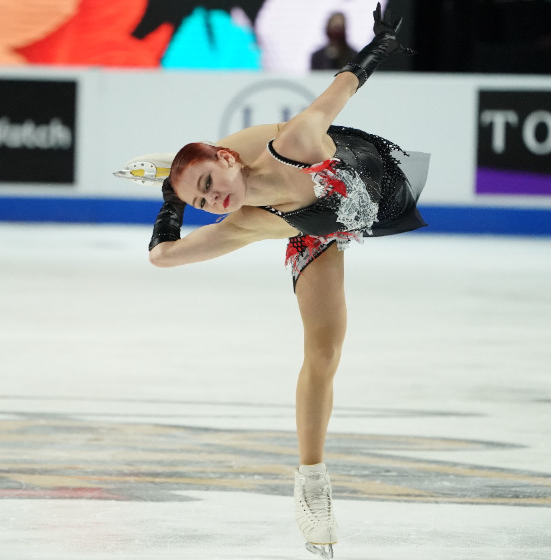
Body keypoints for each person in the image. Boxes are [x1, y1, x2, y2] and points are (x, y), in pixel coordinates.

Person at [120, 4, 424, 558]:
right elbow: (163, 257)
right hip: (313, 231)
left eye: (209, 182)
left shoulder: (296, 141)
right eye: (201, 198)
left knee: (260, 153)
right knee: (325, 353)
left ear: (226, 161)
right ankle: (312, 483)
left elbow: (341, 88)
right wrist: (172, 202)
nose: (213, 199)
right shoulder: (238, 223)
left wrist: (379, 44)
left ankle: (184, 166)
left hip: (353, 169)